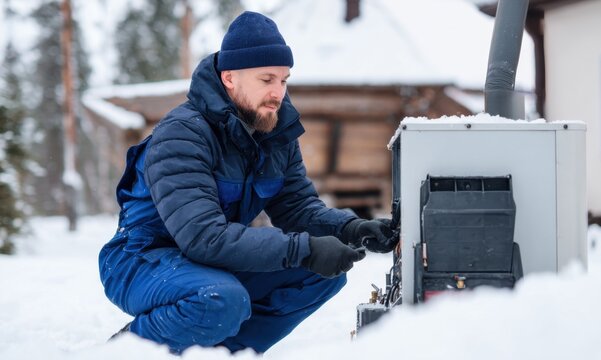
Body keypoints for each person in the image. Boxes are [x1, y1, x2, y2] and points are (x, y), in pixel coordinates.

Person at [98, 11, 397, 354]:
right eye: (266, 79)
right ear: (229, 78)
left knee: (318, 276)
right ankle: (126, 351)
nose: (278, 93)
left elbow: (297, 207)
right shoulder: (182, 135)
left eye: (284, 80)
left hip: (204, 261)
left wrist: (352, 228)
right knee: (220, 300)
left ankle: (224, 352)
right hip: (141, 258)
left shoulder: (275, 132)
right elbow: (203, 237)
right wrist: (304, 249)